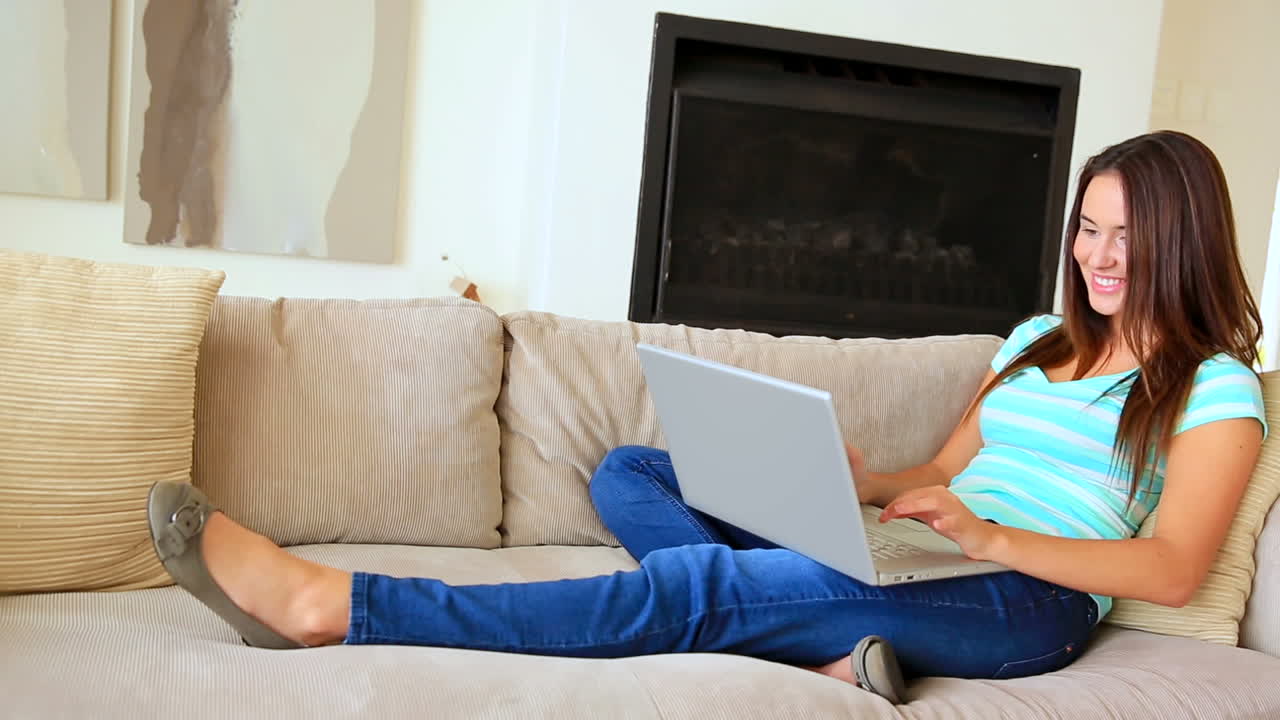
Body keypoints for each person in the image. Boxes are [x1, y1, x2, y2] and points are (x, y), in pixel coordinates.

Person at [148, 130, 1266, 704]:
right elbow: (939, 466)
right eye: (1086, 228)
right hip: (930, 551)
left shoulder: (1215, 386)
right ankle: (823, 653)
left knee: (706, 586)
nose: (1096, 257)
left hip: (1029, 599)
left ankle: (326, 604)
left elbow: (1168, 569)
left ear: (1181, 237)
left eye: (1125, 236)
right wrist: (854, 479)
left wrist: (984, 539)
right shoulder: (1036, 342)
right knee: (635, 468)